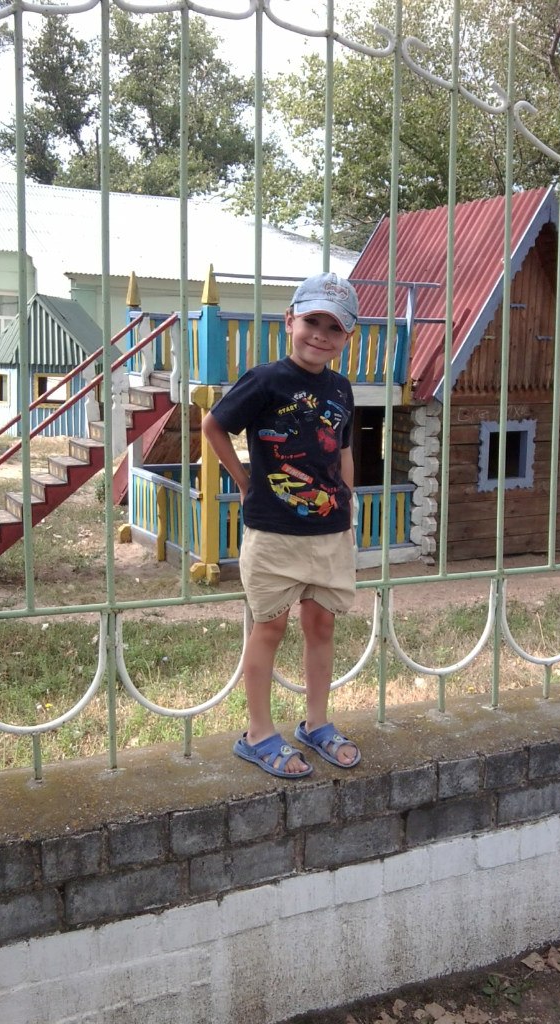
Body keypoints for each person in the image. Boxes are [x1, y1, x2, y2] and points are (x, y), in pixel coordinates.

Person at [202, 272, 361, 778]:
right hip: (273, 532)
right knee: (269, 627)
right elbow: (213, 424)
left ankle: (316, 724)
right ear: (290, 321)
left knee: (322, 625)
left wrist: (347, 500)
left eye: (334, 328)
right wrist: (245, 481)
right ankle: (258, 734)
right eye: (312, 321)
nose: (321, 335)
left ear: (348, 336)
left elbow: (344, 447)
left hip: (329, 532)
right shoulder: (266, 379)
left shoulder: (341, 388)